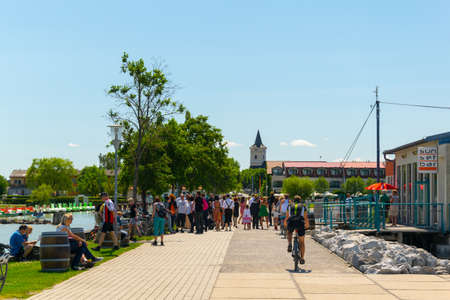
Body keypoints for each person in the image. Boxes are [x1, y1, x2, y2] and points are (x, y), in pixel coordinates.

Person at [285, 195, 309, 265]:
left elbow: (287, 216)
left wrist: (285, 224)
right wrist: (307, 225)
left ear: (293, 200)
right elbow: (305, 217)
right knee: (302, 241)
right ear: (300, 200)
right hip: (300, 223)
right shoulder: (303, 206)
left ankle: (289, 243)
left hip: (291, 222)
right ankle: (302, 258)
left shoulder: (289, 206)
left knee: (289, 232)